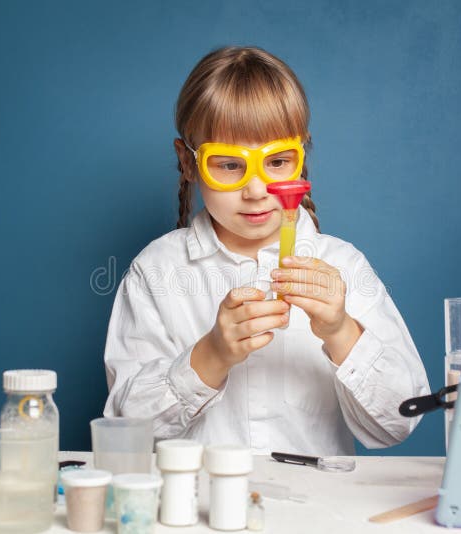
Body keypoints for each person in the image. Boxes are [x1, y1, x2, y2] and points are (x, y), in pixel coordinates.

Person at [103, 46, 429, 456]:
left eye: (276, 162)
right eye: (229, 165)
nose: (256, 190)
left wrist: (341, 331)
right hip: (196, 512)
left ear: (300, 157)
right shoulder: (156, 270)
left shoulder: (344, 267)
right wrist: (210, 356)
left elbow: (399, 421)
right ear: (187, 163)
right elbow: (124, 432)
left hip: (315, 512)